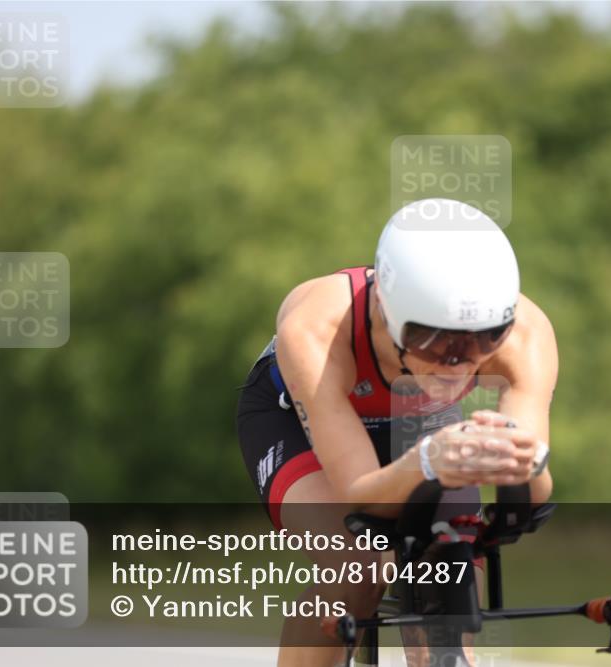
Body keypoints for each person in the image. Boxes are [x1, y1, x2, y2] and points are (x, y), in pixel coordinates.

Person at [236, 198, 556, 667]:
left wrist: (524, 461)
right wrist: (428, 462)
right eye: (433, 339)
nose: (457, 363)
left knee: (451, 562)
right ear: (385, 312)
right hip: (296, 420)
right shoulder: (317, 328)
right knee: (356, 569)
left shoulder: (525, 335)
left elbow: (532, 497)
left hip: (420, 420)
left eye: (484, 339)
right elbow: (361, 495)